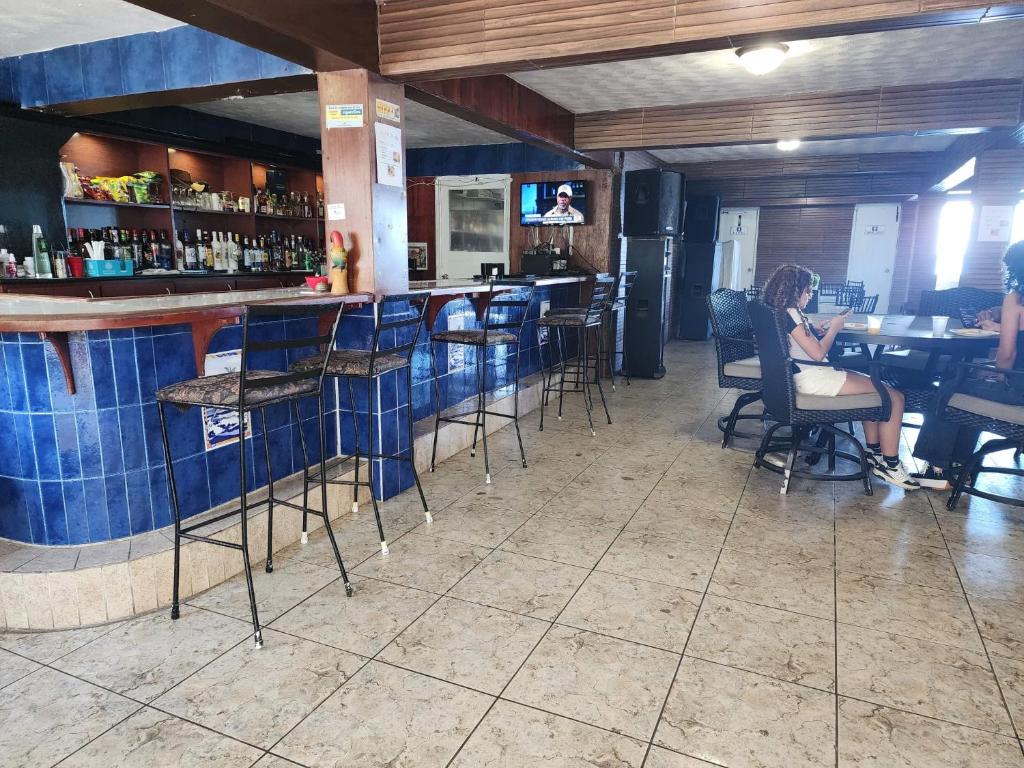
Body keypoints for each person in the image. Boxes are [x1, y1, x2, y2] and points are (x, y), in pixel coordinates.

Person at [762, 264, 919, 490]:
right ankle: (891, 465)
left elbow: (799, 340)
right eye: (808, 291)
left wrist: (815, 329)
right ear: (796, 291)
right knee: (894, 397)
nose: (810, 295)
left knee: (876, 389)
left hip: (804, 375)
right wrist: (835, 328)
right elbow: (817, 354)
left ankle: (875, 453)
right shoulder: (792, 313)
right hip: (815, 377)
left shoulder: (779, 311)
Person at [911, 241, 1024, 489]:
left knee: (950, 388)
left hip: (1019, 390)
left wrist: (996, 375)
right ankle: (961, 468)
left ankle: (939, 470)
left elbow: (1007, 354)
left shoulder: (1016, 299)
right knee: (967, 383)